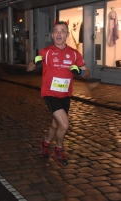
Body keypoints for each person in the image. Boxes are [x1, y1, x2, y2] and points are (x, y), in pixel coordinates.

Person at [27, 21, 90, 166]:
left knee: (56, 125)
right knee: (64, 124)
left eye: (62, 31)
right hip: (50, 94)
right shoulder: (46, 51)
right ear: (52, 35)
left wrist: (80, 72)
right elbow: (28, 68)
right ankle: (59, 148)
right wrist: (35, 61)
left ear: (67, 35)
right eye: (56, 31)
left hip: (65, 95)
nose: (59, 34)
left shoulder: (74, 54)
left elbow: (87, 74)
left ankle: (45, 143)